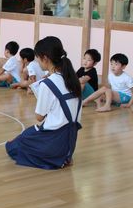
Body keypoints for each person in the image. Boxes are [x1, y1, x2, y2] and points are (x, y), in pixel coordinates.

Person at [5, 36, 81, 169]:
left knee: (12, 146)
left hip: (53, 140)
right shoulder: (73, 80)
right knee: (26, 135)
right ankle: (65, 156)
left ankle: (53, 157)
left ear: (45, 58)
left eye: (37, 58)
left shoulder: (47, 83)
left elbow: (39, 117)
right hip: (70, 141)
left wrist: (40, 97)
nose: (37, 61)